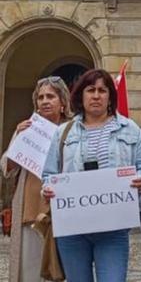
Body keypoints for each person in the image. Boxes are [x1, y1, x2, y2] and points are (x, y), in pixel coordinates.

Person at [41, 69, 141, 282]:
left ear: (110, 96)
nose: (96, 95)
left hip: (113, 227)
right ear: (81, 95)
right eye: (91, 90)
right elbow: (49, 174)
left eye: (103, 90)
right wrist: (47, 188)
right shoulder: (63, 132)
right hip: (72, 228)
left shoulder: (130, 130)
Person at [1, 76, 71, 282]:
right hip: (30, 209)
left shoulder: (73, 129)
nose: (45, 101)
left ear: (63, 102)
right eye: (40, 97)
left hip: (63, 210)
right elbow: (7, 167)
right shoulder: (27, 128)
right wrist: (19, 139)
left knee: (60, 271)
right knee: (29, 272)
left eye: (51, 96)